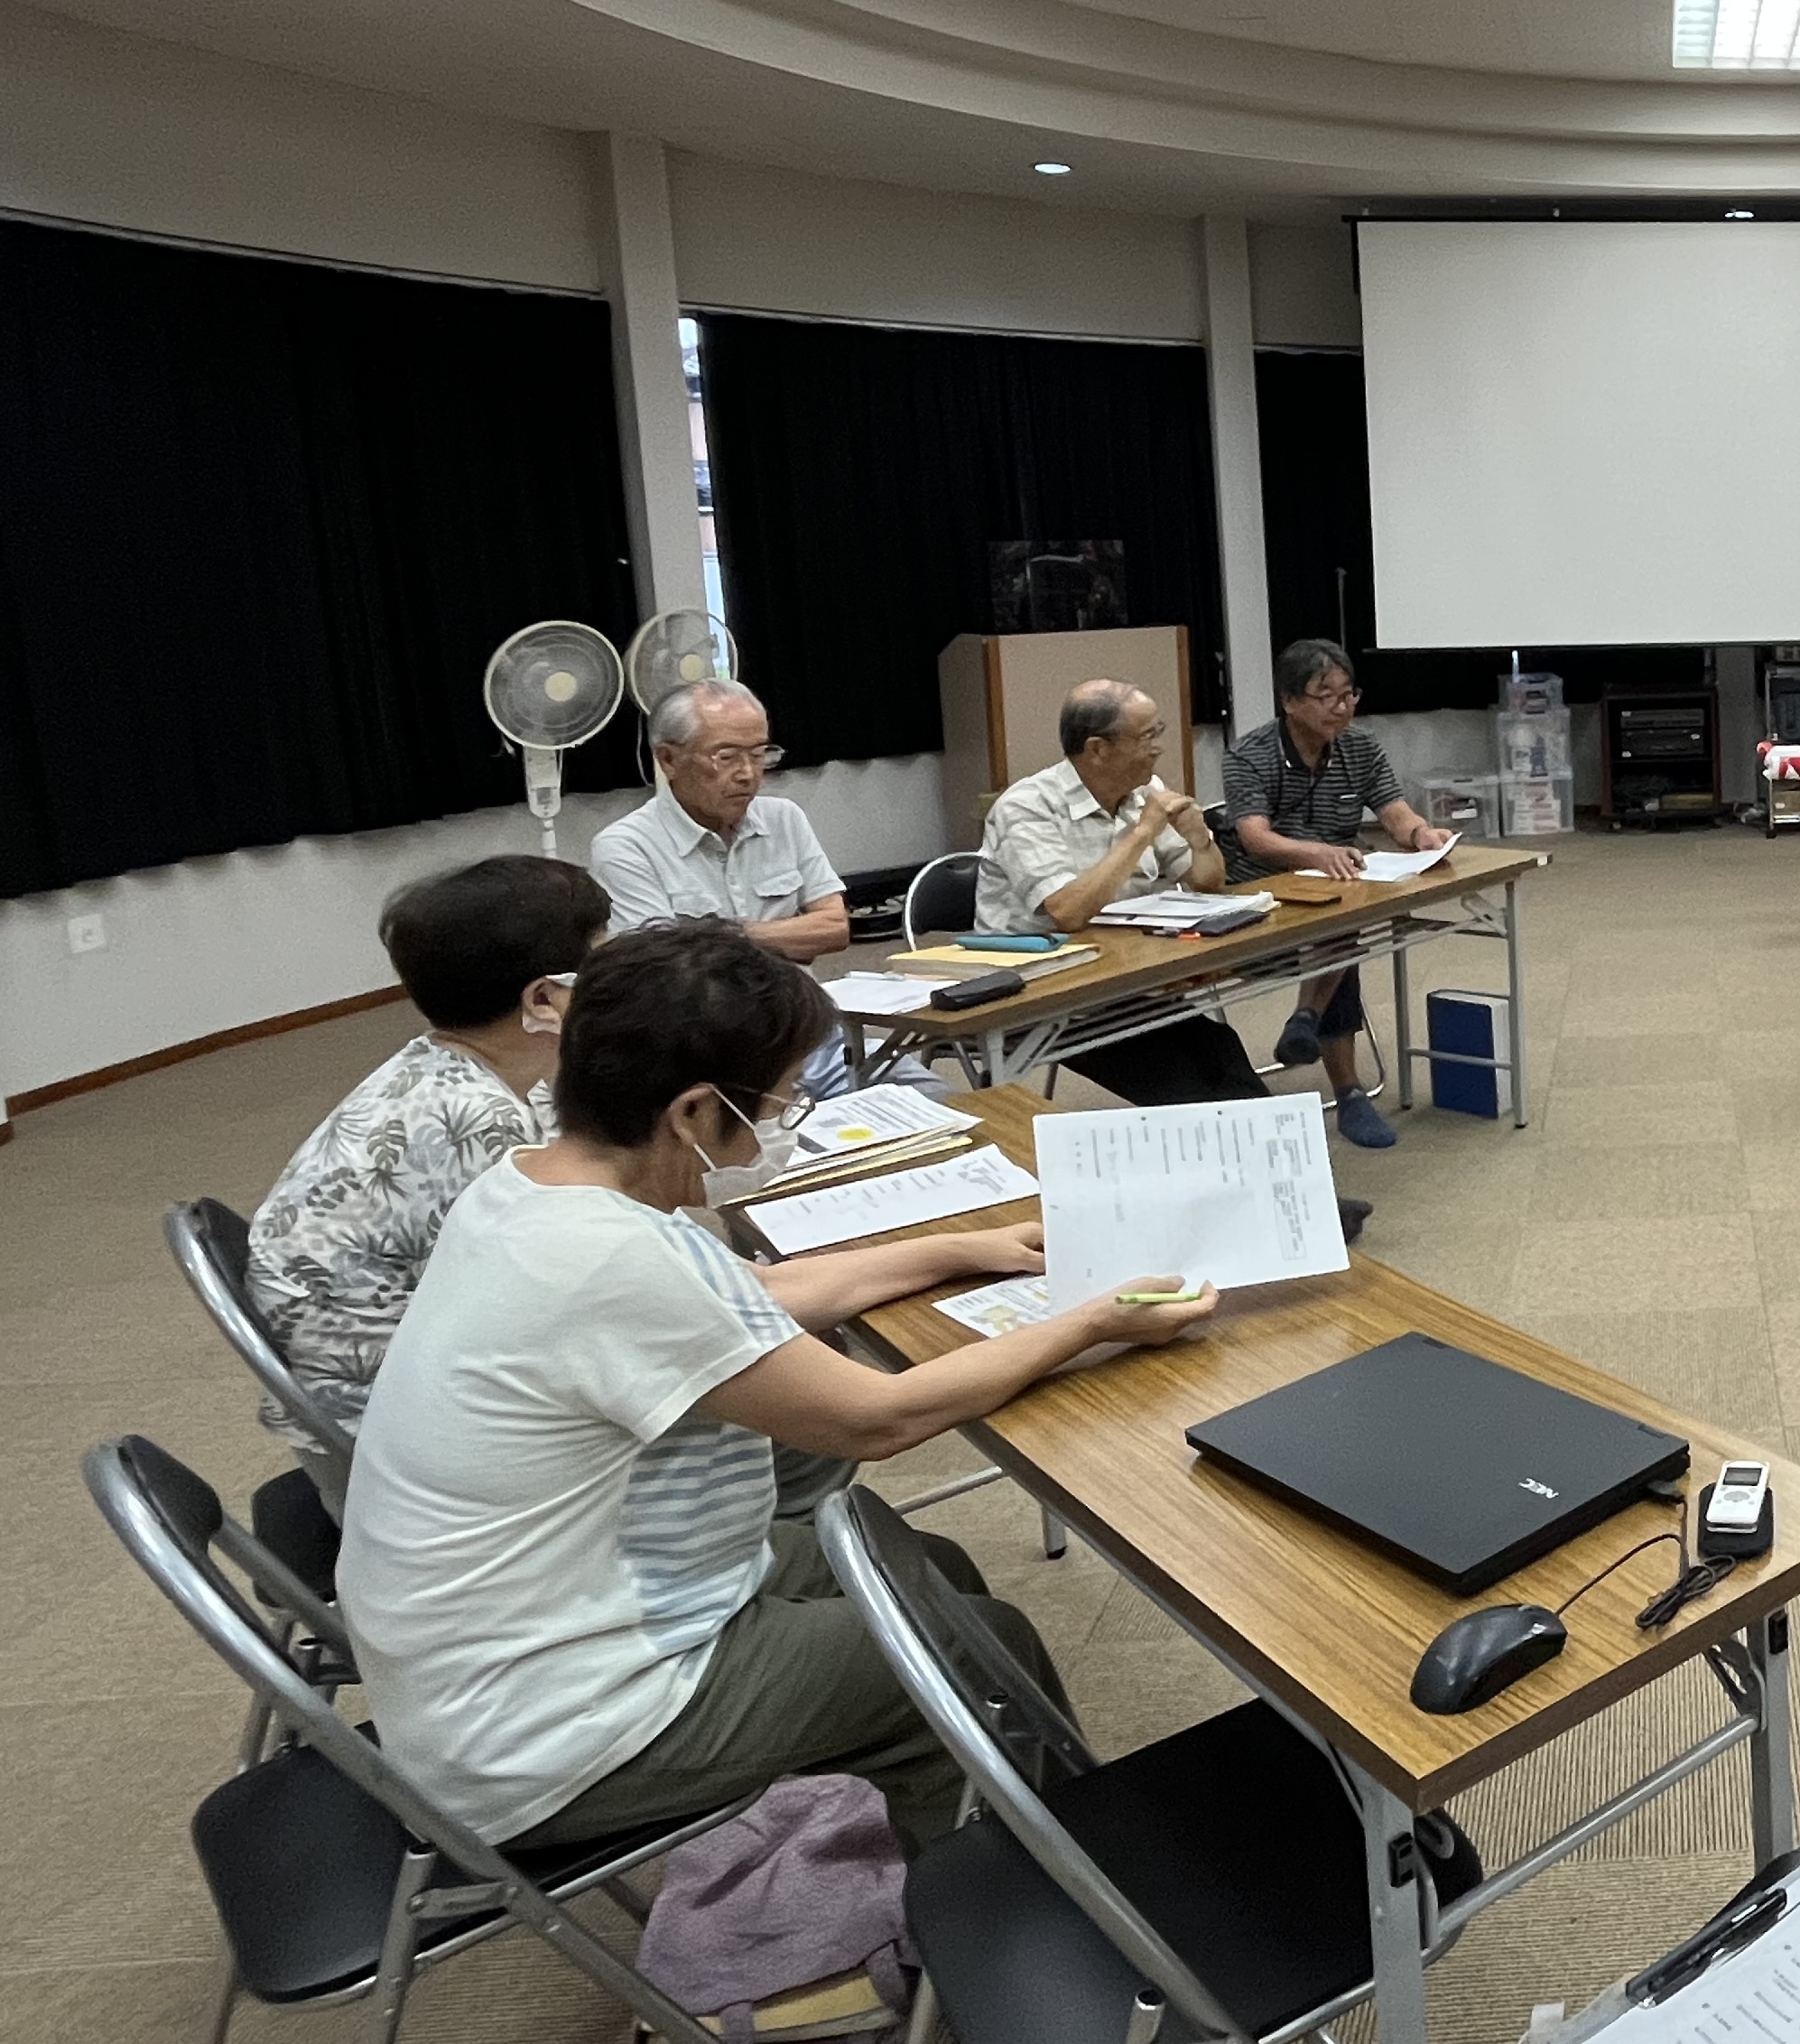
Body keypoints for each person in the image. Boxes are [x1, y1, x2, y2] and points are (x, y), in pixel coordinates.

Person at [337, 922, 1226, 1853]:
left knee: (934, 1574)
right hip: (544, 1724)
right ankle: (1037, 1900)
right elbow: (881, 1419)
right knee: (971, 1655)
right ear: (693, 1112)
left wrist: (959, 1249)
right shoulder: (608, 1258)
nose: (784, 1121)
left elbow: (742, 1302)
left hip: (526, 1626)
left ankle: (984, 1839)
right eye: (779, 1100)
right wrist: (1090, 1322)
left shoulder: (531, 1186)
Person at [247, 857, 610, 1456]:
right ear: (545, 998)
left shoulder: (441, 1063)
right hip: (398, 1429)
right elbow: (544, 1302)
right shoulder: (476, 1119)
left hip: (377, 1377)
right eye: (602, 964)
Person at [977, 678, 1267, 1108]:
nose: (1157, 748)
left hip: (1125, 979)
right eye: (1146, 737)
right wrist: (1142, 833)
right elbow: (1067, 912)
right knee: (1183, 1085)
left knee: (1221, 1051)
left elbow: (1208, 882)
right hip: (1050, 995)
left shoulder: (1143, 792)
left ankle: (1269, 1144)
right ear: (1097, 749)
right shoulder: (1027, 807)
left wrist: (1200, 841)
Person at [1220, 639, 1452, 1152]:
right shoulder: (1249, 755)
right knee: (1343, 929)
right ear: (1289, 701)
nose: (1342, 707)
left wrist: (1421, 834)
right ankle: (1344, 1085)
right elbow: (1255, 838)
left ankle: (1317, 1038)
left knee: (1343, 915)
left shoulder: (1360, 748)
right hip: (1261, 893)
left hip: (1334, 890)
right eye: (1326, 696)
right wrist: (1315, 853)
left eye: (1349, 695)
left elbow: (1394, 812)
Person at [591, 677, 865, 1090]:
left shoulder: (784, 819)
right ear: (668, 759)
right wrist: (787, 935)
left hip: (808, 1031)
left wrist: (718, 935)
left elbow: (834, 928)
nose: (748, 774)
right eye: (727, 757)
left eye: (759, 754)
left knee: (933, 1100)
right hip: (711, 1057)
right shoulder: (625, 847)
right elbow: (662, 976)